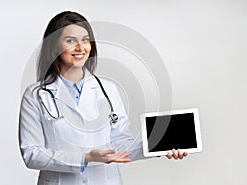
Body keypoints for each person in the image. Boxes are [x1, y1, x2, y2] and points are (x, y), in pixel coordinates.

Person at [19, 11, 187, 185]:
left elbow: (121, 145)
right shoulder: (36, 95)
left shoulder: (108, 89)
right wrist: (85, 158)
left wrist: (160, 146)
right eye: (70, 41)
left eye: (85, 39)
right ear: (54, 46)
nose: (80, 47)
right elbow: (32, 154)